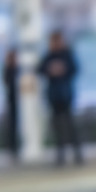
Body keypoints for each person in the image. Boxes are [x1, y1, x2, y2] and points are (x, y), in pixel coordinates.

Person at [38, 31, 83, 166]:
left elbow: (75, 69)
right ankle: (60, 155)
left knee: (70, 125)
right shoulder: (49, 56)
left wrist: (63, 69)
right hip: (54, 96)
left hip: (66, 95)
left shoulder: (67, 54)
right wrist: (50, 70)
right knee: (57, 127)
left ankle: (77, 154)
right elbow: (40, 69)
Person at [1, 47, 19, 162]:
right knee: (12, 125)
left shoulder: (18, 69)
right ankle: (13, 148)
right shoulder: (8, 69)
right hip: (11, 100)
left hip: (19, 101)